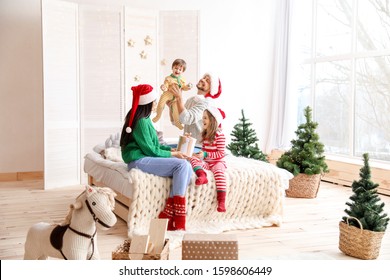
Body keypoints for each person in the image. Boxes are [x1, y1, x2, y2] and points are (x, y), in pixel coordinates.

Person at [120, 84, 192, 231]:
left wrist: (173, 149)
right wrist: (173, 154)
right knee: (182, 165)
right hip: (137, 160)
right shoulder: (141, 121)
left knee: (186, 165)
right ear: (146, 103)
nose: (156, 104)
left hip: (144, 157)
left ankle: (169, 213)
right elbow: (151, 150)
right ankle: (178, 216)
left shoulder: (145, 119)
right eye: (153, 102)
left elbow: (156, 146)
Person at [188, 106, 227, 212]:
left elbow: (220, 153)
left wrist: (205, 154)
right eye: (203, 117)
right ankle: (202, 175)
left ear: (212, 120)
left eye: (205, 118)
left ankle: (222, 201)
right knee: (192, 159)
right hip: (207, 163)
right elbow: (204, 152)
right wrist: (199, 155)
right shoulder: (205, 135)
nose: (202, 120)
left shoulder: (220, 135)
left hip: (218, 162)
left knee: (219, 173)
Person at [171, 72, 222, 144]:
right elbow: (177, 121)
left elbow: (186, 118)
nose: (203, 80)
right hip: (187, 144)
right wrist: (171, 105)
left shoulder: (207, 104)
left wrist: (179, 97)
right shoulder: (191, 100)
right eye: (204, 78)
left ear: (211, 88)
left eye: (207, 81)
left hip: (199, 147)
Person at [152, 59, 192, 130]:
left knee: (175, 112)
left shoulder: (182, 79)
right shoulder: (168, 78)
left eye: (180, 69)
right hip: (167, 94)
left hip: (175, 98)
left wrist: (188, 87)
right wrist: (164, 87)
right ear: (172, 68)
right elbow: (166, 85)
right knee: (161, 104)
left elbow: (183, 87)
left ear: (182, 71)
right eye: (176, 68)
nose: (177, 70)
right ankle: (158, 116)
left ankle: (177, 123)